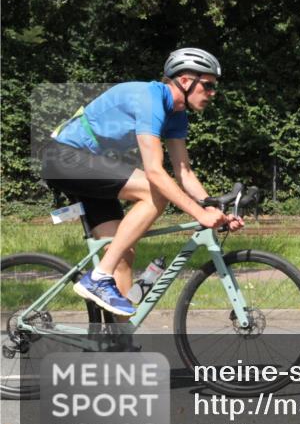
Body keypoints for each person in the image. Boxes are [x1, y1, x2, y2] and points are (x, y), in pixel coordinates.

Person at [41, 47, 244, 317]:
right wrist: (197, 213)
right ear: (185, 81)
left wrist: (212, 210)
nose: (212, 93)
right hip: (63, 157)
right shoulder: (150, 99)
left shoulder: (176, 114)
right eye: (207, 85)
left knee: (123, 255)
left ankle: (119, 343)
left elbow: (184, 172)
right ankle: (98, 278)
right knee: (154, 193)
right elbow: (155, 172)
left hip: (88, 166)